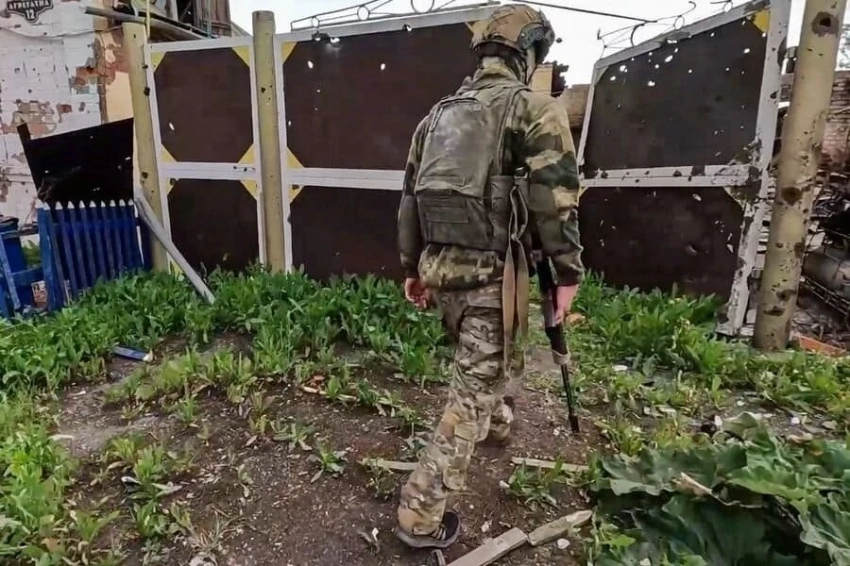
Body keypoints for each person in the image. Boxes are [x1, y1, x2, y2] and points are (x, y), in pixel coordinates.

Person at [394, 3, 584, 550]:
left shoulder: (435, 118)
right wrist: (567, 271)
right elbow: (555, 200)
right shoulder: (534, 109)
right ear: (530, 52)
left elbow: (409, 199)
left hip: (445, 276)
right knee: (467, 397)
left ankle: (498, 422)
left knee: (490, 362)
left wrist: (413, 267)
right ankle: (418, 517)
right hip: (493, 279)